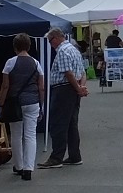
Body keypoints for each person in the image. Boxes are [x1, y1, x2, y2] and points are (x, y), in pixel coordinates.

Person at [38, 27, 88, 169]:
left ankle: (56, 157)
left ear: (55, 38)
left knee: (58, 123)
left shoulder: (62, 51)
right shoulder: (74, 49)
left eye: (50, 40)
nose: (50, 44)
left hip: (64, 89)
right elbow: (82, 72)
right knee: (72, 123)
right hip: (73, 88)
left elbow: (68, 73)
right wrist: (81, 88)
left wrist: (78, 89)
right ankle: (74, 155)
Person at [0, 33, 44, 181]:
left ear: (15, 47)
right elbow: (41, 87)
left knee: (16, 135)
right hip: (32, 102)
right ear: (29, 46)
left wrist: (1, 104)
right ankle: (28, 168)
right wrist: (41, 104)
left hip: (14, 103)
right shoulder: (36, 64)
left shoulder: (10, 63)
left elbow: (5, 86)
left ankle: (18, 166)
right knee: (30, 135)